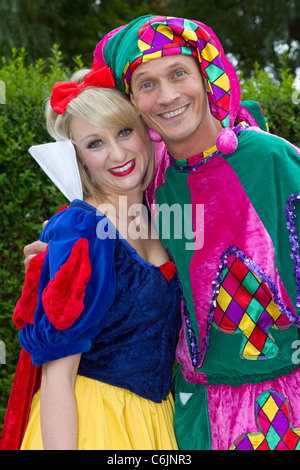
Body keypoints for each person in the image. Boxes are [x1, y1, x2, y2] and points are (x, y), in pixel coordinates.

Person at [22, 14, 300, 450]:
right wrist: (60, 249)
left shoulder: (260, 160)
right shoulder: (150, 187)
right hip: (162, 418)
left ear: (207, 76)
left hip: (253, 414)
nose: (167, 95)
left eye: (178, 73)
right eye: (147, 83)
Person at [0, 65, 182, 450]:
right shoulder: (81, 228)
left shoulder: (163, 216)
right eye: (95, 143)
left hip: (157, 424)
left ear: (145, 131)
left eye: (124, 131)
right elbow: (56, 377)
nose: (117, 153)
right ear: (78, 157)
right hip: (90, 425)